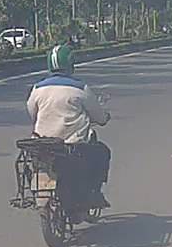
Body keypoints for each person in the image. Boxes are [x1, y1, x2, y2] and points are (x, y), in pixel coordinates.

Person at [26, 44, 112, 209]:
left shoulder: (37, 89)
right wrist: (104, 117)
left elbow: (32, 113)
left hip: (42, 144)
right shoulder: (80, 89)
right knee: (102, 152)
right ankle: (94, 193)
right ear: (71, 63)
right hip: (73, 145)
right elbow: (99, 117)